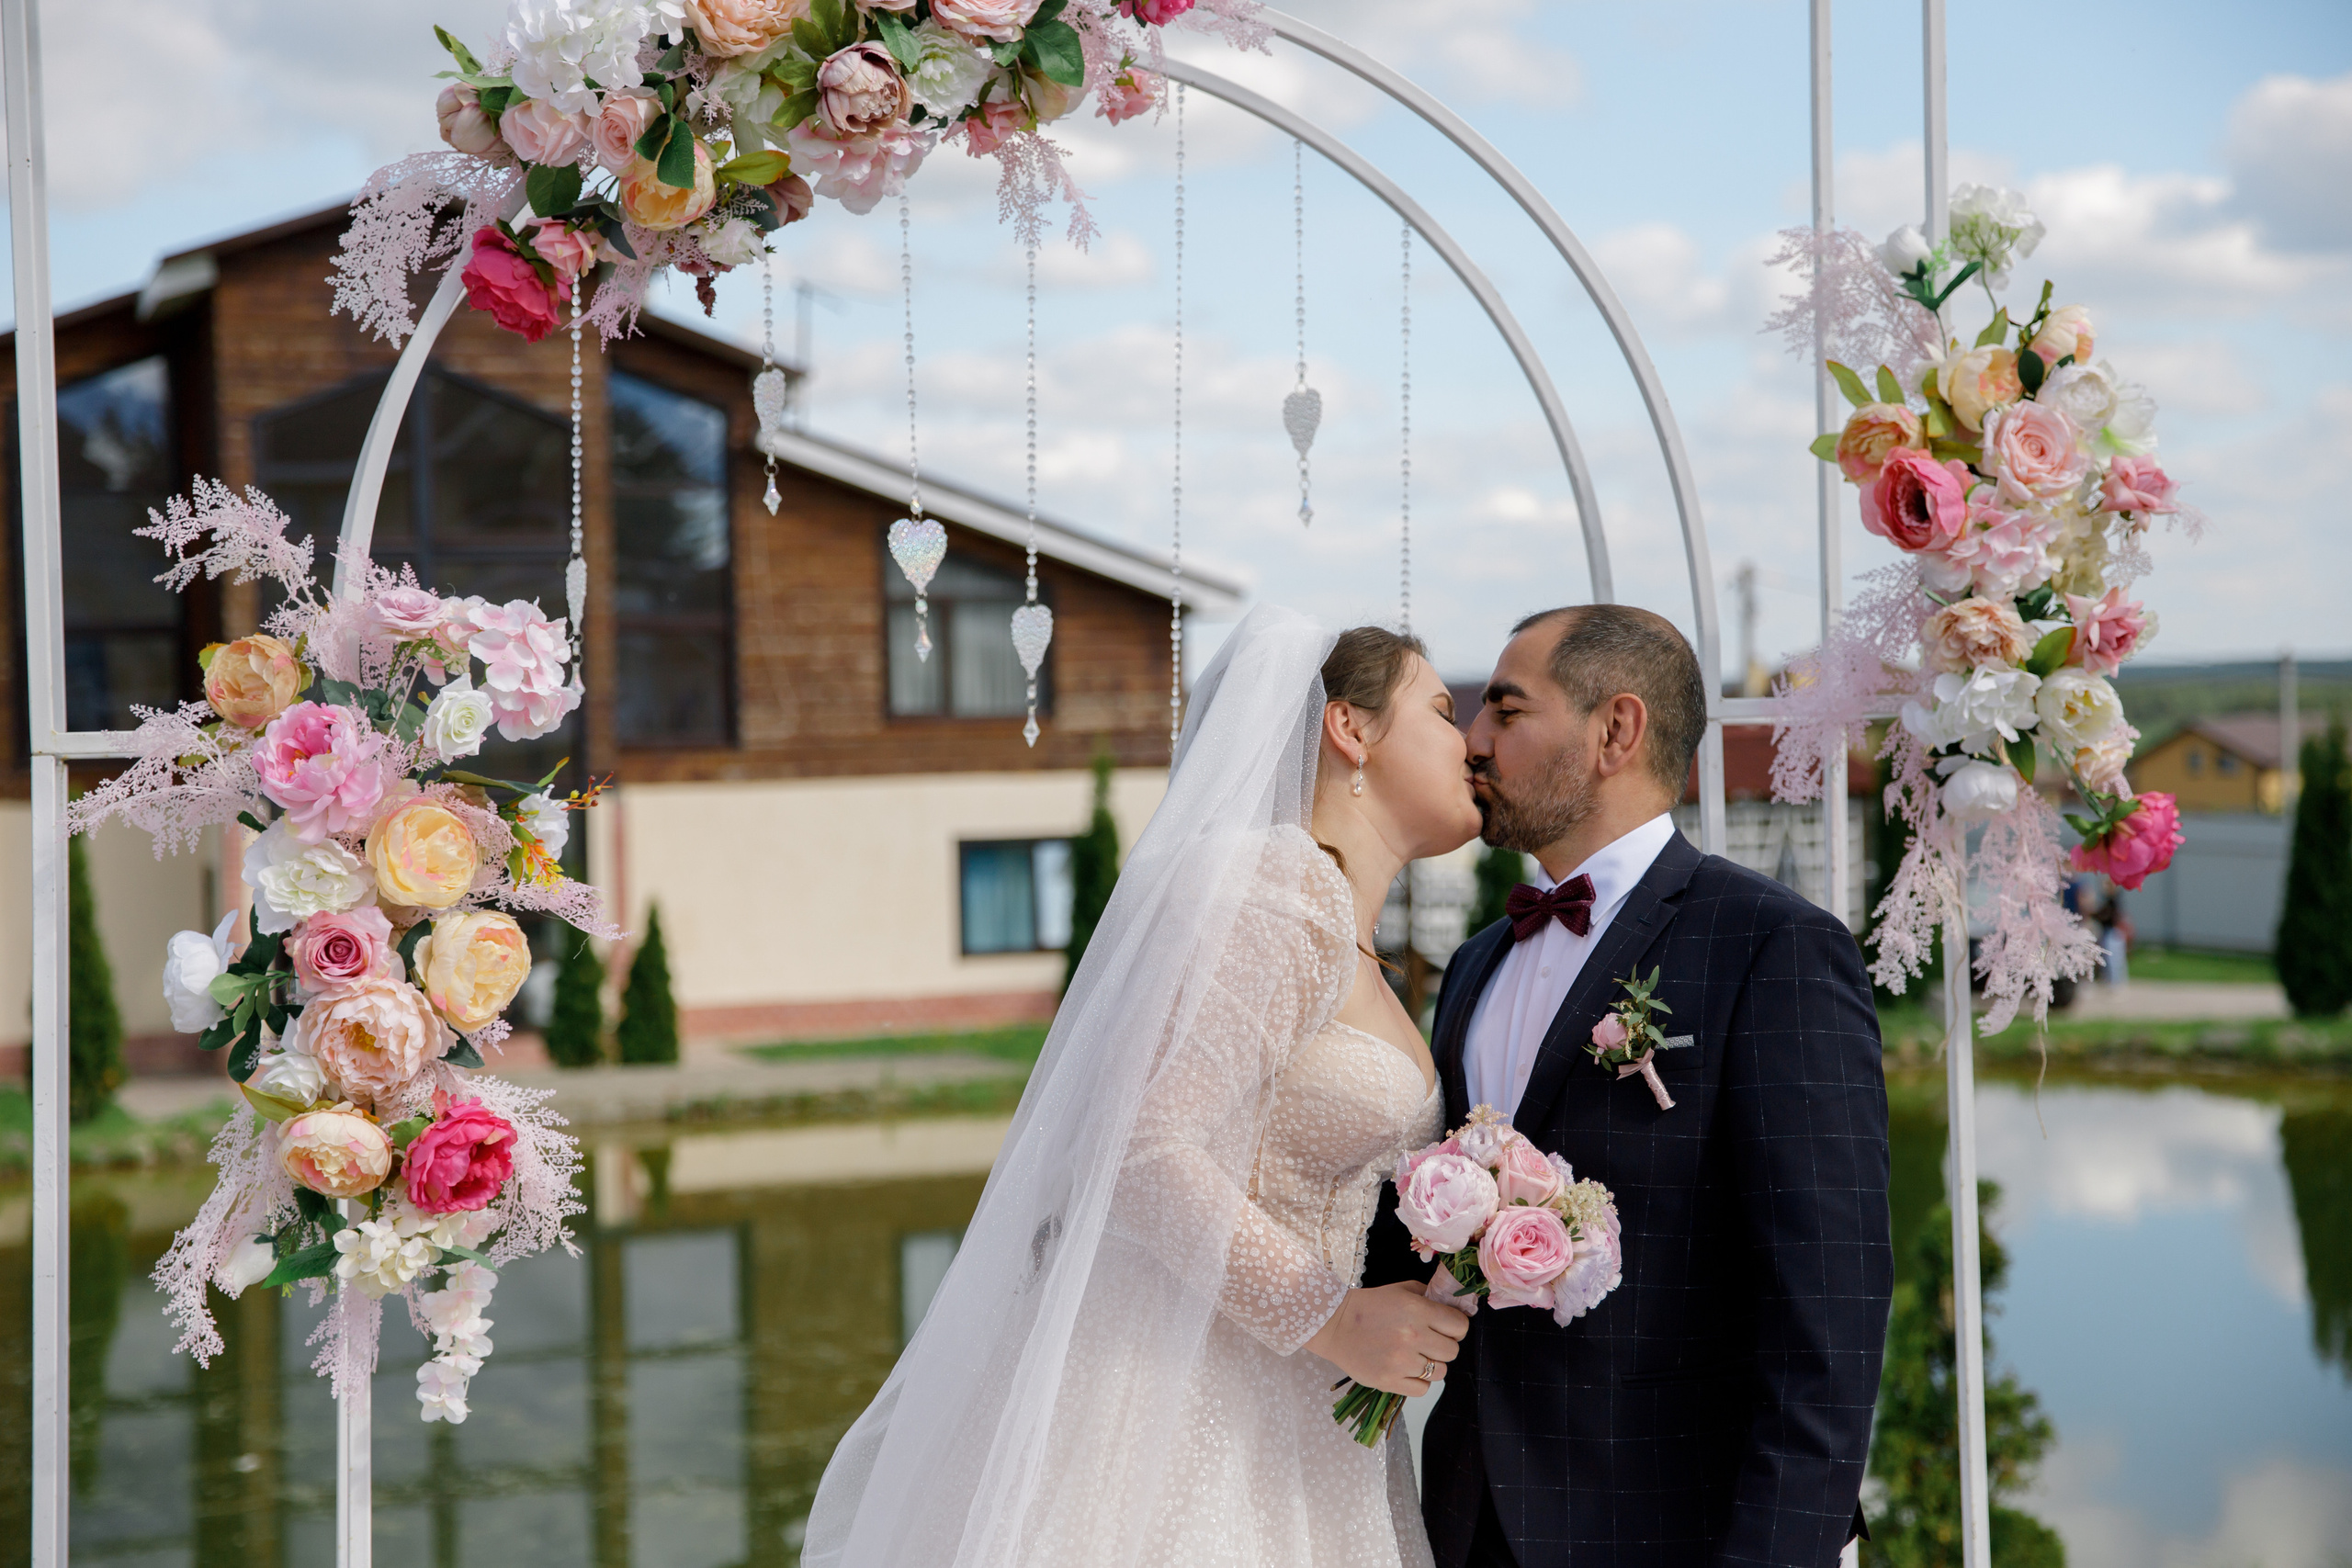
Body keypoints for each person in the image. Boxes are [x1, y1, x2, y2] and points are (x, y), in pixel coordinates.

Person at [803, 606, 1480, 1568]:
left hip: (1299, 1409)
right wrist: (1330, 1319)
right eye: (1444, 709)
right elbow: (1138, 1146)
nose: (1470, 742)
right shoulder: (1271, 893)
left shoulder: (1343, 930)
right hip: (1179, 1393)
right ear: (1351, 728)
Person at [1396, 604, 1894, 1568]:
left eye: (1505, 710)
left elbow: (1827, 1313)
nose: (1474, 741)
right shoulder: (1472, 966)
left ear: (1614, 730)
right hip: (1465, 1523)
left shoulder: (1772, 947)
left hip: (1677, 1528)